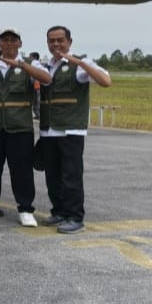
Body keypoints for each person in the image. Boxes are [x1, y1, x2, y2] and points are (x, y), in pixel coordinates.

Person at [0, 28, 52, 226]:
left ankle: (25, 209)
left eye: (13, 40)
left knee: (22, 170)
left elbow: (45, 78)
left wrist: (21, 65)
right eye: (5, 40)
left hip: (19, 127)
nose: (9, 44)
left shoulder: (29, 65)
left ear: (20, 43)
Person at [38, 26, 111, 234]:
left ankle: (75, 217)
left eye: (60, 40)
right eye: (51, 41)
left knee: (71, 176)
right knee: (52, 175)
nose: (56, 45)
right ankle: (59, 211)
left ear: (69, 41)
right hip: (49, 130)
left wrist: (79, 62)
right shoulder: (48, 67)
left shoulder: (80, 65)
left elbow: (106, 81)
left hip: (71, 130)